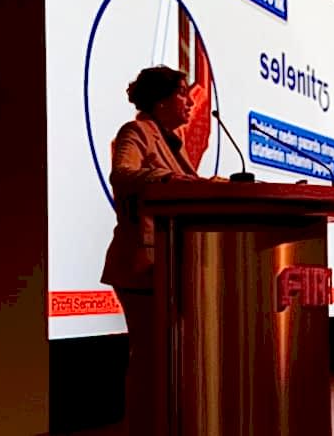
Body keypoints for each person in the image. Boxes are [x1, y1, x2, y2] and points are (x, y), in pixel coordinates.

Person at [100, 65, 212, 436]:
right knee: (150, 358)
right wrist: (167, 177)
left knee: (167, 358)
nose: (190, 101)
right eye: (182, 93)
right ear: (161, 101)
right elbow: (122, 174)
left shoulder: (172, 141)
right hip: (142, 262)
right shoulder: (137, 132)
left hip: (171, 262)